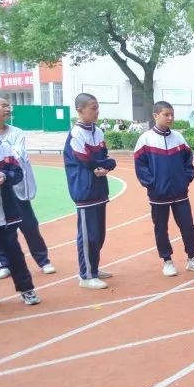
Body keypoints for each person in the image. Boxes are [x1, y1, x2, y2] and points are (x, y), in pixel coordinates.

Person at [133, 101, 194, 277]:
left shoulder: (178, 138)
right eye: (166, 114)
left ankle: (192, 258)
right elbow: (140, 165)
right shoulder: (145, 139)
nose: (170, 118)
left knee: (188, 226)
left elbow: (188, 160)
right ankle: (167, 260)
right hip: (158, 195)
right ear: (156, 115)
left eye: (172, 114)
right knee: (161, 228)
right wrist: (152, 183)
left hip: (180, 193)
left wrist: (186, 178)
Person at [64, 93, 117, 289]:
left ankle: (93, 267)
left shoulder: (98, 132)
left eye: (97, 107)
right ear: (80, 110)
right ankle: (86, 275)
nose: (97, 111)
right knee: (88, 235)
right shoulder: (76, 134)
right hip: (85, 190)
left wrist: (107, 165)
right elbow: (86, 160)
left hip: (100, 189)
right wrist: (106, 164)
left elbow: (106, 158)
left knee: (100, 233)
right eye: (93, 108)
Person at [0, 96, 55, 277]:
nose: (9, 108)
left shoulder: (17, 133)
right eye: (4, 105)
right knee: (2, 229)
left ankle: (43, 260)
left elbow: (16, 155)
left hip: (15, 187)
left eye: (9, 105)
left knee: (29, 225)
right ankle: (4, 263)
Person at [0, 143, 39, 304]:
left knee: (14, 254)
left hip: (6, 215)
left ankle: (27, 290)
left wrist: (4, 176)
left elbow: (17, 173)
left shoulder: (3, 148)